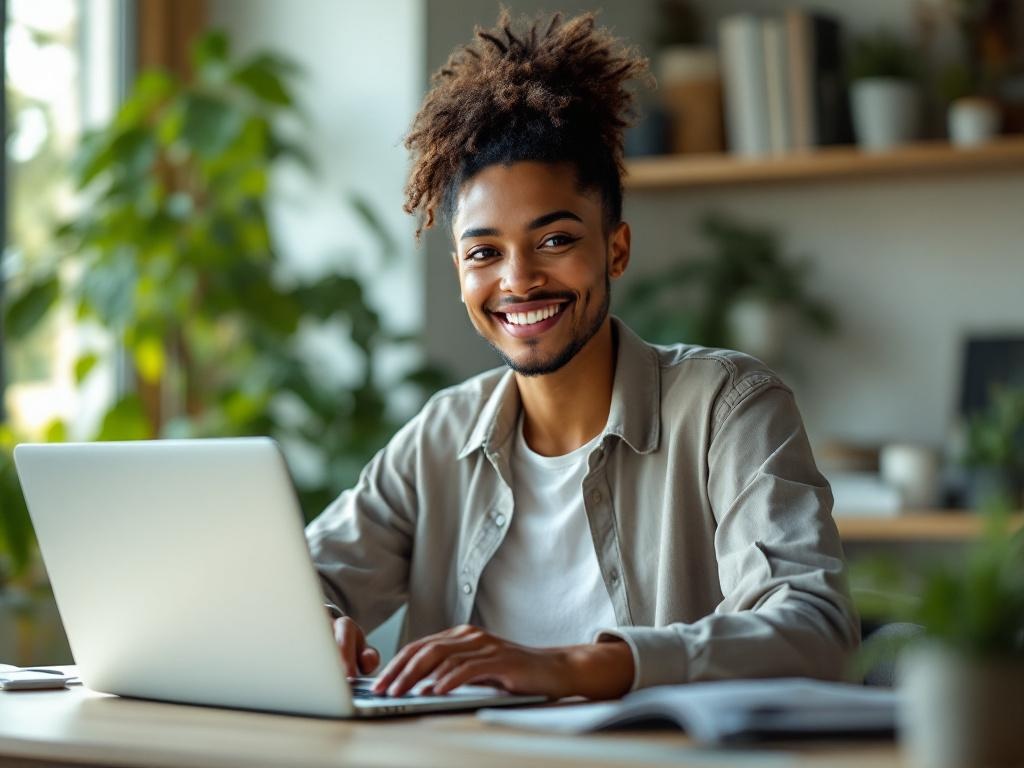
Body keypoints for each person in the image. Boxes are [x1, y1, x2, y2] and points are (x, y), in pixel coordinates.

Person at [305, 10, 859, 701]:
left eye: (556, 240)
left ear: (615, 249)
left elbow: (812, 628)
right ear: (458, 273)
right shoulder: (439, 439)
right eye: (484, 253)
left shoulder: (727, 409)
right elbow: (303, 578)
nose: (517, 280)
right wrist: (315, 623)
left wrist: (570, 667)